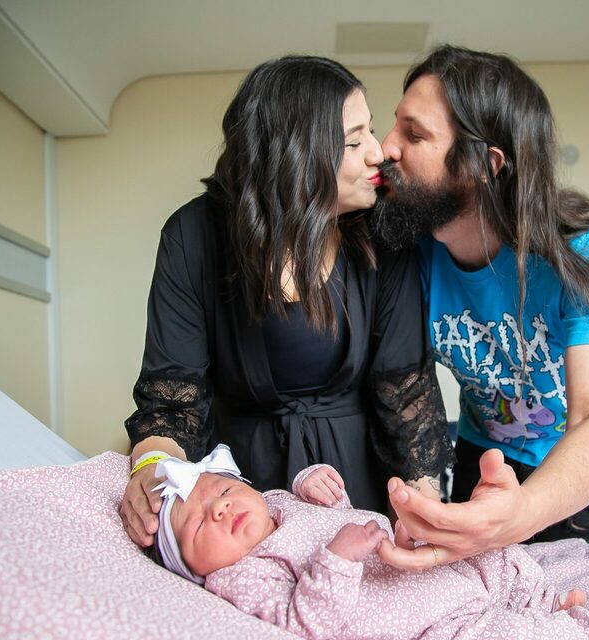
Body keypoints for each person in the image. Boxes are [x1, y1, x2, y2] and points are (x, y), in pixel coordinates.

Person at [119, 55, 452, 549]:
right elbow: (172, 400)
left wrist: (423, 510)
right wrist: (151, 469)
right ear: (294, 156)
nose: (378, 152)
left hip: (355, 494)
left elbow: (406, 397)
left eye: (371, 130)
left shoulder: (385, 234)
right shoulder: (194, 236)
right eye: (353, 141)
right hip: (238, 502)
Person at [371, 45, 589, 569]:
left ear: (484, 165)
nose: (384, 147)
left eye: (413, 135)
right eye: (393, 126)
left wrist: (521, 513)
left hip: (582, 472)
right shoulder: (413, 251)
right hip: (485, 456)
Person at [152, 444, 589, 640]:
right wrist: (336, 559)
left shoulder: (277, 505)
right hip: (422, 620)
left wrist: (319, 486)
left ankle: (543, 605)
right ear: (193, 568)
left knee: (497, 555)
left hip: (420, 565)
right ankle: (588, 629)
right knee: (495, 636)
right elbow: (301, 622)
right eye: (197, 525)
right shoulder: (239, 574)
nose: (219, 509)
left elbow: (340, 521)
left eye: (223, 492)